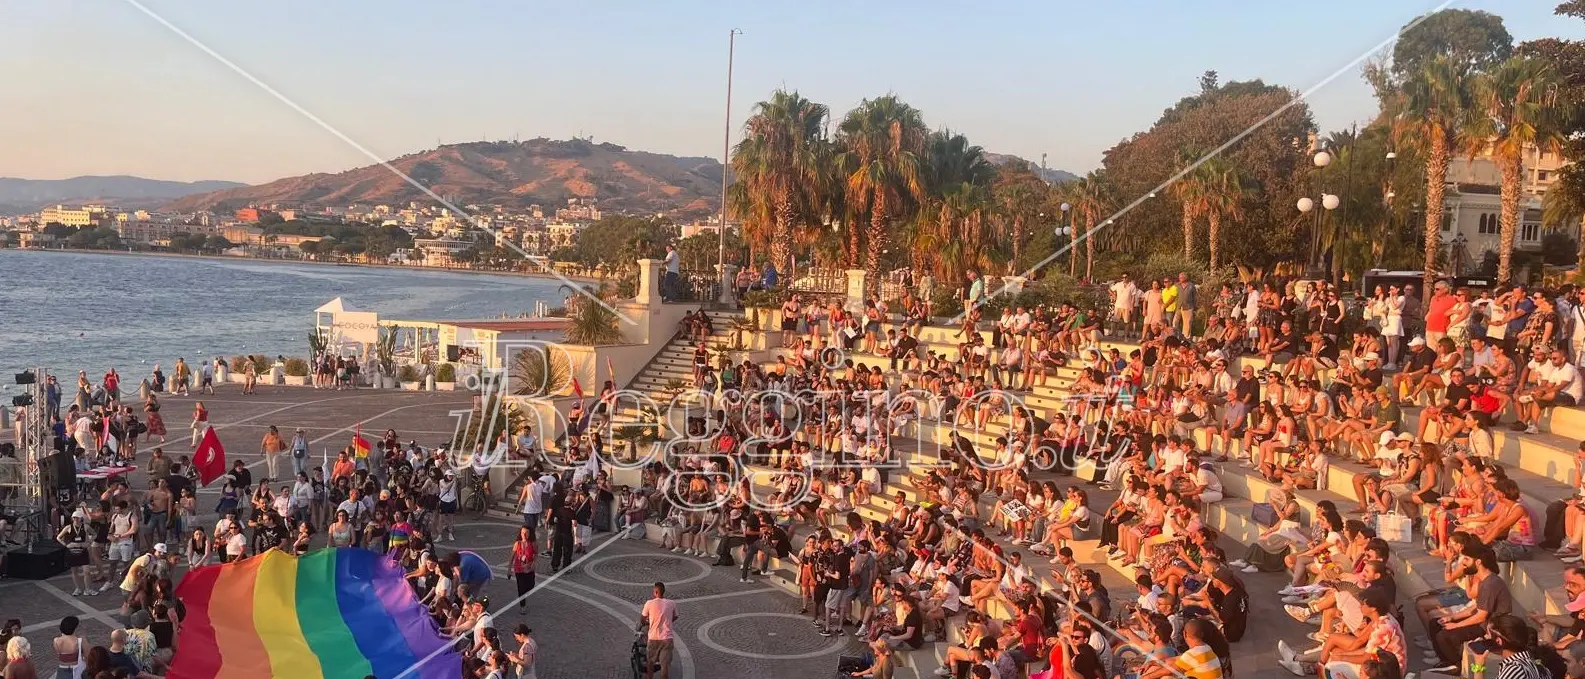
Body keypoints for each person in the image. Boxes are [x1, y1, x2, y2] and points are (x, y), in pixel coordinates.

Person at [639, 582, 678, 679]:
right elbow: (675, 616)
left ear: (656, 592)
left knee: (650, 663)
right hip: (667, 639)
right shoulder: (672, 603)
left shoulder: (649, 603)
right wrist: (668, 620)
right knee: (664, 666)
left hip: (653, 638)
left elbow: (642, 619)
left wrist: (647, 623)